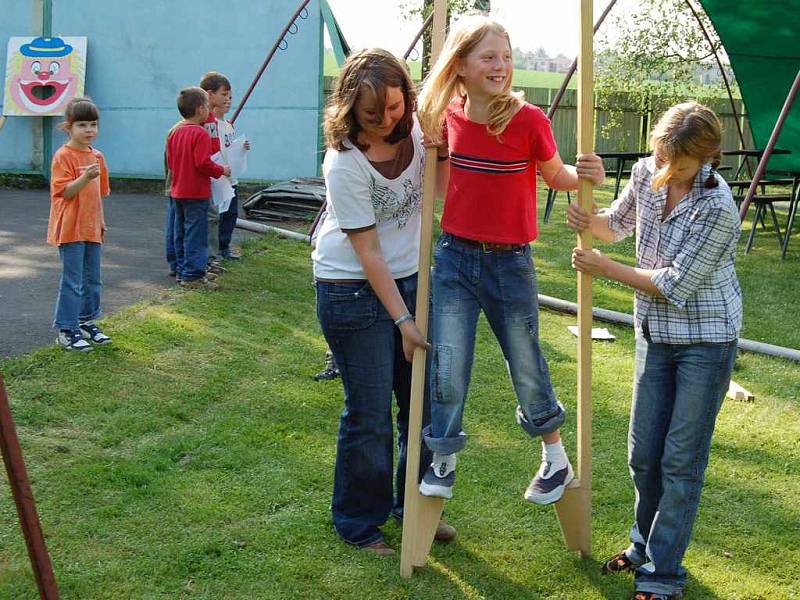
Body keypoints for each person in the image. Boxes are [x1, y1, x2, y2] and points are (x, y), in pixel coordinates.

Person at [415, 16, 605, 505]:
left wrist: (589, 175)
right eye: (489, 57)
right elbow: (439, 192)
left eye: (506, 55)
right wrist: (432, 153)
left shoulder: (528, 120)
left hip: (510, 261)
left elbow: (557, 175)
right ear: (460, 65)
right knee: (449, 360)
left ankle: (555, 458)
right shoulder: (447, 117)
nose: (501, 66)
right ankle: (443, 456)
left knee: (525, 359)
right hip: (455, 257)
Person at [567, 102, 741, 600]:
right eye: (662, 158)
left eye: (679, 166)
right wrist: (588, 218)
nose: (666, 173)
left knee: (680, 461)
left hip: (705, 342)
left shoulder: (718, 207)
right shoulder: (647, 172)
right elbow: (616, 224)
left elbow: (675, 285)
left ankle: (663, 575)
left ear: (706, 158)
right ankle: (643, 545)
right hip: (654, 336)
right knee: (643, 455)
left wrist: (606, 269)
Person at [312, 48, 454, 556]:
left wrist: (446, 152)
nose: (387, 121)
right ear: (350, 109)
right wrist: (403, 320)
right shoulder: (344, 161)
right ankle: (358, 520)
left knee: (419, 407)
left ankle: (415, 505)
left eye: (395, 108)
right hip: (351, 288)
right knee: (369, 411)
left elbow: (441, 193)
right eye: (373, 115)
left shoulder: (418, 129)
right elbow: (368, 250)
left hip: (413, 277)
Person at [48, 97, 112, 351]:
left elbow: (99, 194)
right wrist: (85, 177)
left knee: (93, 278)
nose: (89, 131)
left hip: (91, 227)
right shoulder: (63, 156)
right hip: (70, 228)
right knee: (72, 280)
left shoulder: (97, 156)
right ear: (69, 127)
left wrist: (101, 222)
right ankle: (67, 328)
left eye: (93, 125)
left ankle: (86, 321)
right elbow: (65, 192)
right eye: (82, 125)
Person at [166, 86, 230, 290]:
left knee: (181, 231)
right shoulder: (200, 133)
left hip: (177, 190)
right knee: (196, 233)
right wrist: (221, 170)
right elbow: (203, 163)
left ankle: (181, 269)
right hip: (196, 191)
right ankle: (194, 275)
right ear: (201, 109)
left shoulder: (175, 132)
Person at [199, 71, 250, 263]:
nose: (228, 100)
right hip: (217, 176)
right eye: (224, 95)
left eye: (230, 96)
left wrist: (242, 148)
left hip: (230, 176)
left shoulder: (228, 125)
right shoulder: (208, 123)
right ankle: (215, 250)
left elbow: (229, 146)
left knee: (231, 214)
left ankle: (224, 246)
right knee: (216, 215)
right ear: (210, 94)